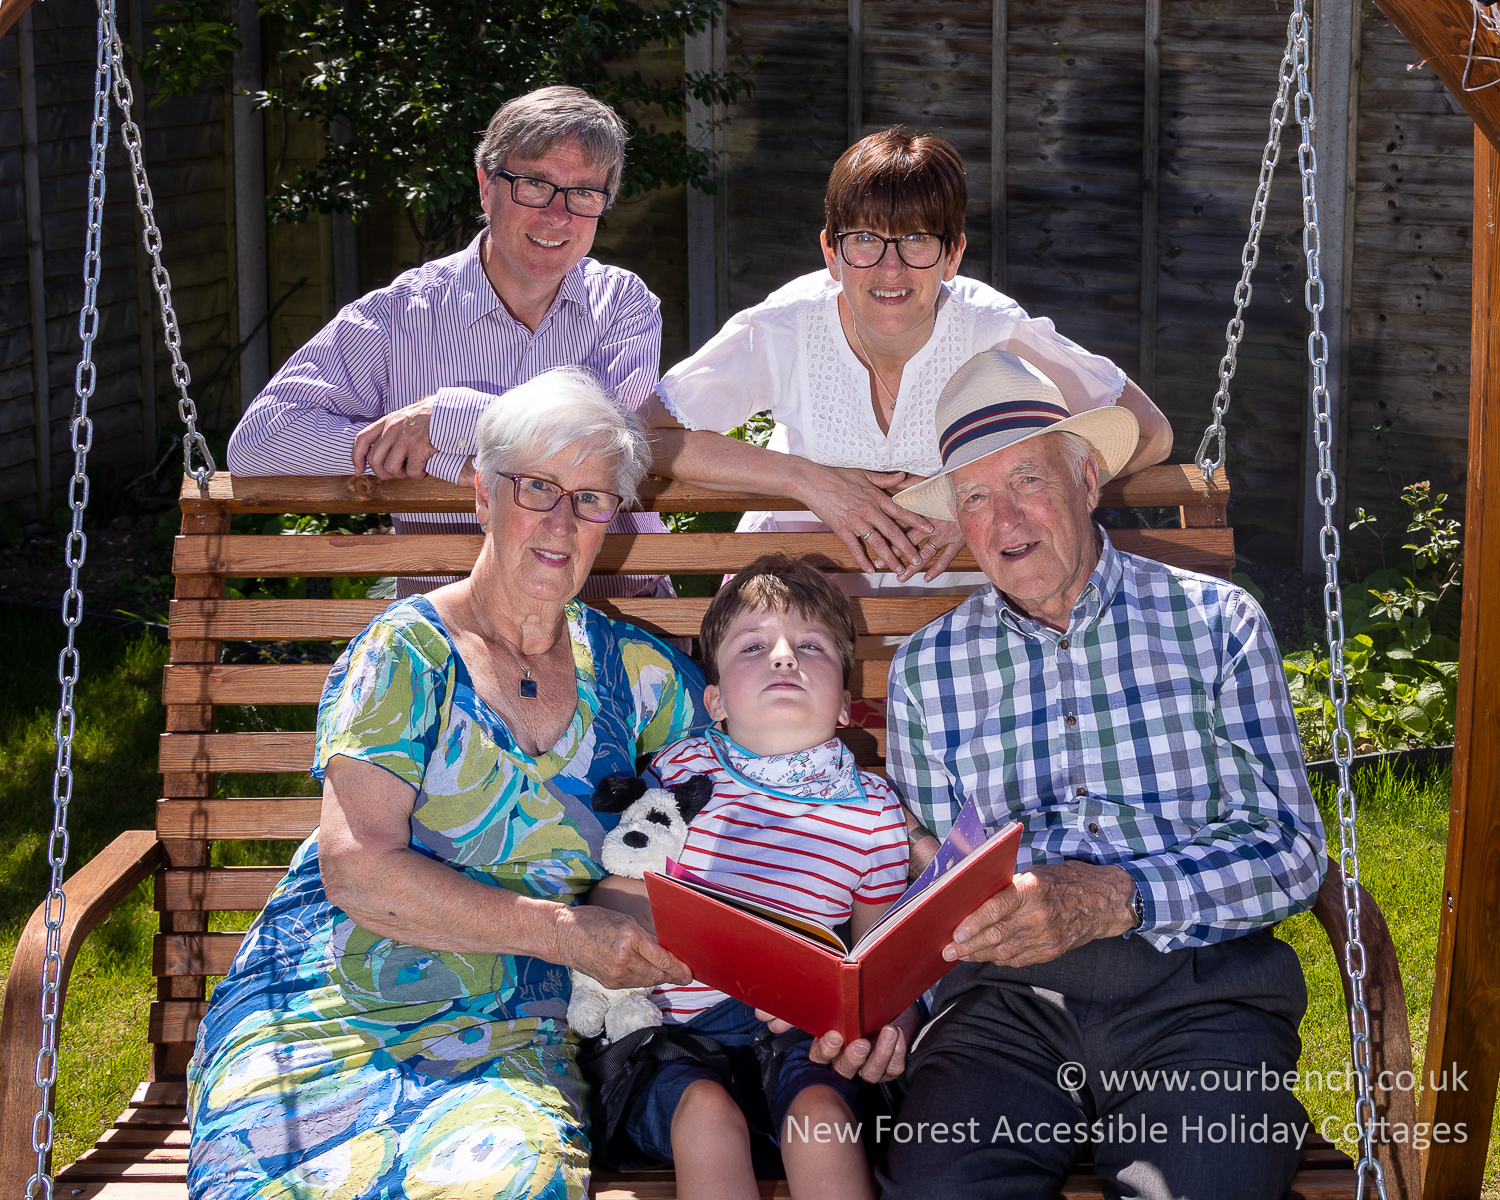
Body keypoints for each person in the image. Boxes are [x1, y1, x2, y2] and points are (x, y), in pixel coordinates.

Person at [783, 348, 1326, 1198]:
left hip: (1199, 996)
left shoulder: (1217, 625)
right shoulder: (931, 668)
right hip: (1005, 1014)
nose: (1003, 521)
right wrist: (889, 995)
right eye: (974, 498)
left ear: (1085, 478)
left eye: (1026, 481)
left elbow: (1292, 850)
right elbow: (929, 874)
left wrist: (1118, 897)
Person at [186, 368, 707, 1200]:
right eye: (537, 487)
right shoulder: (406, 655)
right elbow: (358, 867)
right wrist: (564, 933)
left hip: (502, 1033)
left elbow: (743, 788)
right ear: (481, 492)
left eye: (590, 499)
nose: (561, 522)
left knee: (507, 1185)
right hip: (329, 1012)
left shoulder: (636, 674)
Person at [645, 127, 1175, 596]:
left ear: (954, 254)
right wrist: (805, 479)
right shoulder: (784, 328)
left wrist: (972, 514)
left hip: (944, 617)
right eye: (865, 240)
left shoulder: (990, 329)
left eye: (917, 240)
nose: (890, 269)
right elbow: (646, 434)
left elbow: (1150, 433)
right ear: (831, 252)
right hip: (796, 603)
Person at [226, 85, 667, 599]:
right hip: (450, 633)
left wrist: (448, 419)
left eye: (584, 194)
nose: (557, 215)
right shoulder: (400, 317)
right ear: (485, 186)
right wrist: (442, 463)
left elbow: (602, 450)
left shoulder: (622, 306)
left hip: (612, 608)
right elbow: (258, 442)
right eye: (534, 185)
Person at [587, 555, 914, 1200]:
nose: (785, 658)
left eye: (812, 646)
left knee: (822, 1120)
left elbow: (880, 953)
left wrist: (872, 1019)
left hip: (800, 1039)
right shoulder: (682, 772)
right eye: (754, 646)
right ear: (714, 700)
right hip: (676, 1039)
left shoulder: (876, 811)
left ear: (848, 703)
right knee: (709, 1119)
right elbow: (623, 890)